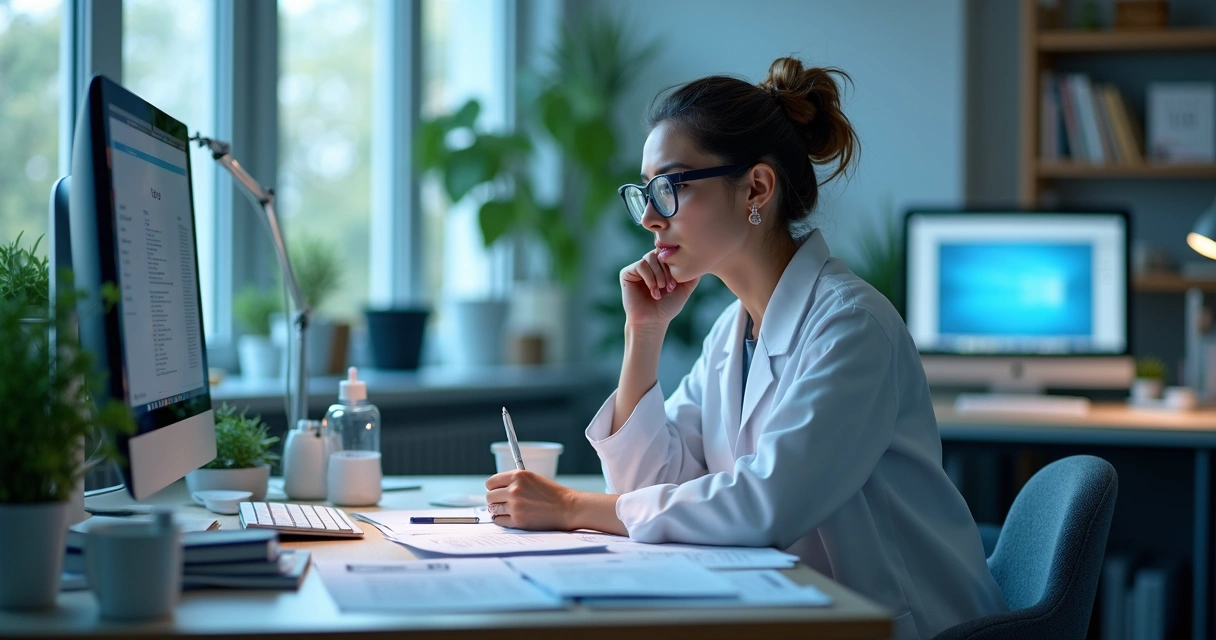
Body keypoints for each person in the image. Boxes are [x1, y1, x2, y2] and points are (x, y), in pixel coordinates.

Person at [484, 56, 1007, 639]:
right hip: (796, 607)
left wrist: (571, 508)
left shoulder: (853, 327)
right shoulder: (733, 333)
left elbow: (766, 505)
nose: (651, 218)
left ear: (756, 187)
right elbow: (644, 490)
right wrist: (644, 334)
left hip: (902, 623)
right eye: (644, 193)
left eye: (671, 187)